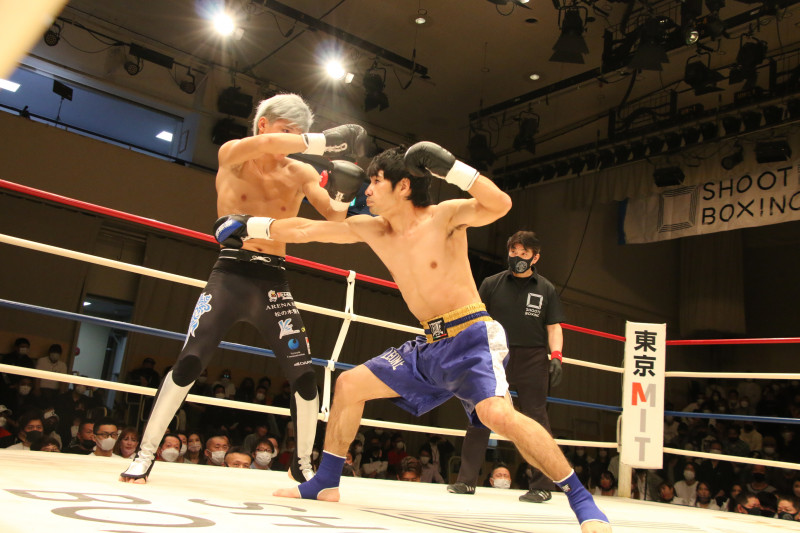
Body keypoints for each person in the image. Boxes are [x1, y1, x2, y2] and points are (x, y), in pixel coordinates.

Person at [223, 142, 610, 531]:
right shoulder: (374, 228)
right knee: (349, 385)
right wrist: (249, 225)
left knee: (496, 415)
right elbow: (307, 229)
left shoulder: (444, 217)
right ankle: (326, 481)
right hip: (429, 344)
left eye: (376, 181)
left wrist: (453, 169)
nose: (368, 190)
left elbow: (499, 205)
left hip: (471, 337)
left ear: (404, 186)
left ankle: (581, 499)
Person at [119, 93, 368, 484]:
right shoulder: (233, 155)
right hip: (230, 275)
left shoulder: (301, 172)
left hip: (273, 280)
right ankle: (145, 454)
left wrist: (344, 192)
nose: (292, 139)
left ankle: (303, 464)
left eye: (299, 133)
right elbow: (268, 145)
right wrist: (323, 141)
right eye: (287, 130)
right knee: (190, 361)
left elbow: (334, 216)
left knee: (304, 375)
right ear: (264, 124)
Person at [449, 230, 565, 503]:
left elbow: (554, 326)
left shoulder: (546, 288)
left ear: (535, 257)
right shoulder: (491, 283)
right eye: (514, 251)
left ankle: (542, 486)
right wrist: (469, 350)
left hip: (533, 359)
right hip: (494, 355)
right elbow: (475, 318)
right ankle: (466, 480)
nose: (517, 257)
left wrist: (557, 356)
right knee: (481, 413)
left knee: (536, 419)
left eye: (524, 253)